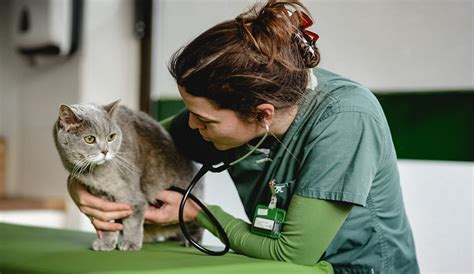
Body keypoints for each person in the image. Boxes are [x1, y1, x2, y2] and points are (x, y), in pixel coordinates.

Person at [67, 0, 419, 272]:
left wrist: (199, 214)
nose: (190, 127)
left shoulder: (345, 121)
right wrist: (81, 185)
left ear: (262, 114)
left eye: (204, 120)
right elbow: (138, 145)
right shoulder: (242, 103)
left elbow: (292, 252)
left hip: (356, 269)